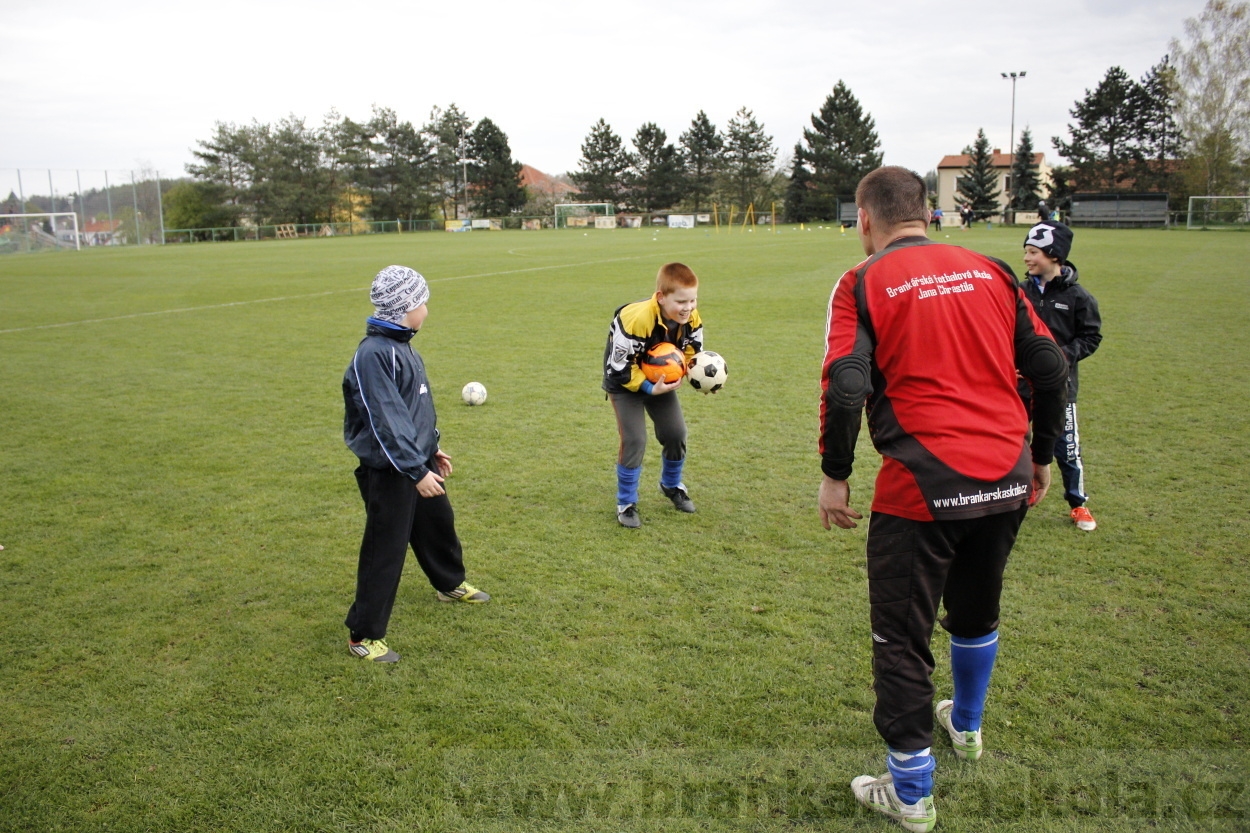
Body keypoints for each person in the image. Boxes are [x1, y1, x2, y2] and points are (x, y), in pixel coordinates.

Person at [817, 167, 1067, 831]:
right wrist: (1039, 456)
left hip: (923, 486)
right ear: (926, 214)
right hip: (1007, 473)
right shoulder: (991, 269)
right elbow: (1049, 367)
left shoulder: (862, 279)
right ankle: (969, 725)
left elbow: (847, 384)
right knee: (977, 609)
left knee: (901, 638)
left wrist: (835, 472)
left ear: (865, 220)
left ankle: (912, 795)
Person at [341, 265, 490, 663]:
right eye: (422, 300)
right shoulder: (373, 356)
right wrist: (414, 468)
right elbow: (386, 420)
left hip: (415, 460)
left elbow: (415, 410)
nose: (426, 307)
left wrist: (431, 449)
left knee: (437, 522)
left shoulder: (402, 346)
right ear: (405, 306)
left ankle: (449, 583)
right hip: (390, 470)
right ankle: (363, 635)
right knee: (384, 547)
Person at [602, 262, 703, 528]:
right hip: (624, 382)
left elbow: (692, 355)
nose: (688, 307)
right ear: (661, 297)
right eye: (681, 301)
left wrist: (702, 381)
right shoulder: (635, 319)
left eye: (693, 300)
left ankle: (671, 486)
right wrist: (648, 387)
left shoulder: (692, 318)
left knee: (676, 433)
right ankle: (626, 503)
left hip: (661, 380)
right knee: (635, 439)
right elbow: (618, 368)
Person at [1019, 221, 1103, 531]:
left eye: (1033, 252)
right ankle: (1014, 494)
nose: (1027, 259)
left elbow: (1091, 337)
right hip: (1018, 384)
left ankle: (1078, 503)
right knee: (1015, 439)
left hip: (1060, 388)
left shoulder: (1079, 297)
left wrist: (1060, 357)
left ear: (1055, 255)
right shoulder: (1019, 292)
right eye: (1026, 252)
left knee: (1066, 447)